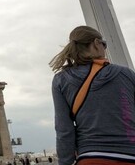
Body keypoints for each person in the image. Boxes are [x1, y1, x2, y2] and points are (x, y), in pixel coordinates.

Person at [50, 25, 135, 165]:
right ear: (96, 43)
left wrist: (65, 162)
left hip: (90, 157)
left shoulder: (61, 80)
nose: (105, 48)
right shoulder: (126, 74)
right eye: (104, 44)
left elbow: (64, 129)